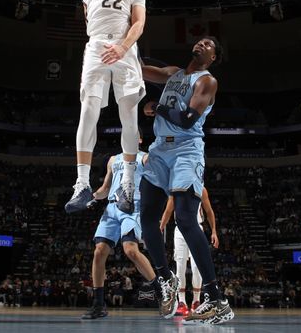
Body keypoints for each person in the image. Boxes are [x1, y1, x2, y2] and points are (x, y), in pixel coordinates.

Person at [138, 37, 234, 325]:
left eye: (209, 45)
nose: (202, 44)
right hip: (159, 149)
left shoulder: (207, 81)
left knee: (186, 219)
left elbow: (188, 118)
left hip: (186, 149)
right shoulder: (173, 73)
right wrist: (125, 40)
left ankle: (216, 298)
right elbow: (140, 68)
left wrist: (158, 106)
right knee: (146, 220)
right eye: (200, 41)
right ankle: (164, 278)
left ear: (213, 57)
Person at [65, 0, 147, 215]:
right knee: (89, 110)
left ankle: (127, 183)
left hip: (125, 48)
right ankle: (82, 184)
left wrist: (124, 46)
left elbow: (139, 23)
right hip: (97, 44)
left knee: (130, 115)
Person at [81, 149, 160, 319]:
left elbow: (158, 181)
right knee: (99, 251)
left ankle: (162, 293)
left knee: (130, 250)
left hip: (133, 205)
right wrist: (90, 197)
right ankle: (99, 304)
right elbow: (105, 189)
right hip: (112, 206)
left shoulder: (145, 157)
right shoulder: (112, 159)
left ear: (138, 139)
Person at [160, 186, 219, 316]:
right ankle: (181, 302)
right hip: (180, 229)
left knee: (197, 266)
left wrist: (214, 231)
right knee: (180, 266)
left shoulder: (201, 189)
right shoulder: (175, 188)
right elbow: (168, 210)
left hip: (196, 227)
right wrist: (161, 228)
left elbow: (209, 211)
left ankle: (196, 301)